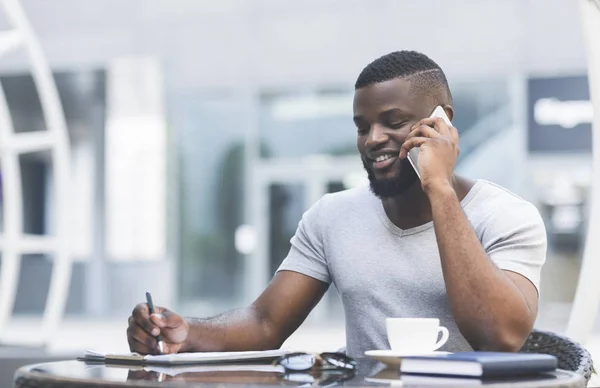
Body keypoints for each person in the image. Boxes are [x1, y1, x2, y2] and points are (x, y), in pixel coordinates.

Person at [127, 51, 546, 358]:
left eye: (393, 122)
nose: (373, 139)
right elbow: (265, 323)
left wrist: (439, 190)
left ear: (443, 121)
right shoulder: (332, 217)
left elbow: (500, 336)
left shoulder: (508, 217)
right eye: (362, 127)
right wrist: (185, 331)